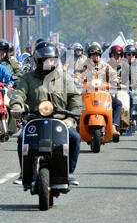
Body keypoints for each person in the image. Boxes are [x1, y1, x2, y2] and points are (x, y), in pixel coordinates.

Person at [9, 42, 82, 186]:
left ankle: (69, 172)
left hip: (60, 120)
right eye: (45, 60)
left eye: (52, 60)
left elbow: (75, 97)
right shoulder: (27, 78)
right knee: (22, 139)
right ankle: (24, 172)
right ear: (37, 60)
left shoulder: (65, 77)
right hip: (35, 120)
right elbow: (19, 93)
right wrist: (17, 105)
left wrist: (71, 118)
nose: (49, 63)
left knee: (75, 138)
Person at [76, 43, 123, 139]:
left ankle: (114, 126)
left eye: (97, 55)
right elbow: (77, 75)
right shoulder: (84, 66)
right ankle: (78, 124)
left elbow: (114, 75)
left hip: (103, 93)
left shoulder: (105, 65)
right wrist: (76, 80)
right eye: (93, 55)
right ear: (89, 56)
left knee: (118, 104)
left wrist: (116, 81)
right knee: (76, 103)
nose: (96, 57)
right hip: (87, 93)